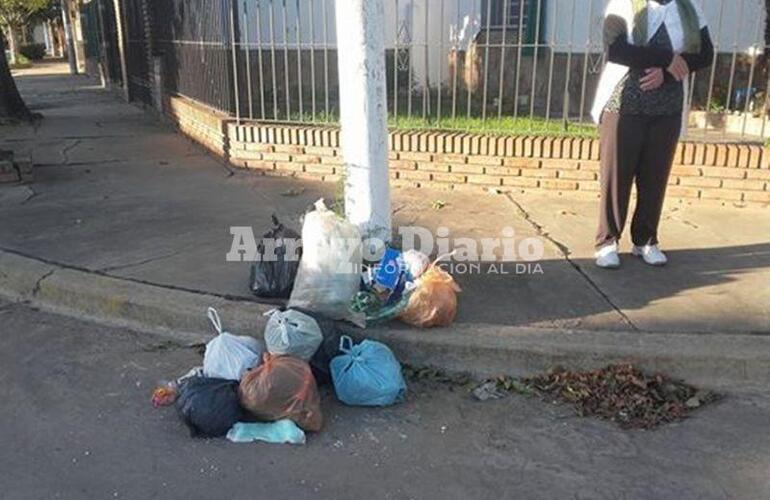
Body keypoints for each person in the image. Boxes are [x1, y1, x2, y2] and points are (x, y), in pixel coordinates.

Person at [591, 0, 714, 269]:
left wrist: (667, 74)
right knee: (617, 175)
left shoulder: (689, 9)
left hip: (667, 106)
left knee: (655, 176)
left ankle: (646, 239)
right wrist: (668, 60)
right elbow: (617, 50)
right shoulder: (623, 4)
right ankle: (607, 241)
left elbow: (706, 54)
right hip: (624, 104)